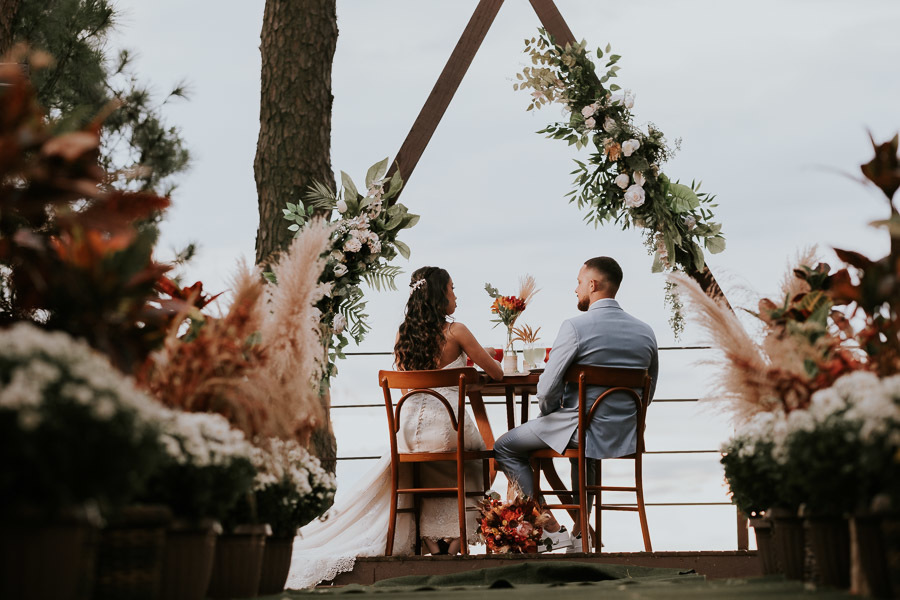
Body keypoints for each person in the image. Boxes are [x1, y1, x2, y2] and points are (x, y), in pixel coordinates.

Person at [286, 266, 503, 588]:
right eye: (452, 289)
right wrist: (482, 359)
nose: (456, 296)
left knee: (423, 474)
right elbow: (497, 373)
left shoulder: (404, 334)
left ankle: (433, 546)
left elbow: (405, 389)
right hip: (448, 424)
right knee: (479, 463)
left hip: (407, 430)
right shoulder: (457, 331)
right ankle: (456, 543)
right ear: (439, 295)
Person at [493, 256, 658, 549]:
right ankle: (581, 534)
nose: (576, 289)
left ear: (592, 285)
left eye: (579, 282)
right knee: (585, 450)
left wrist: (550, 417)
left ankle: (549, 528)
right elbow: (649, 392)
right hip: (625, 432)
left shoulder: (575, 327)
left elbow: (546, 390)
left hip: (580, 428)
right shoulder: (646, 332)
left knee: (505, 447)